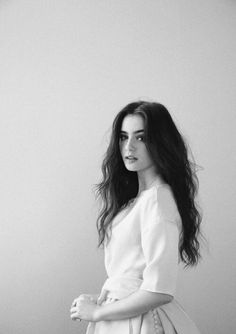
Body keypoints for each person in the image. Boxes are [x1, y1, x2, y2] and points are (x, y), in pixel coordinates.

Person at [70, 101, 203, 333]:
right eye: (123, 137)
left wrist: (98, 312)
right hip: (123, 318)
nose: (129, 147)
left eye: (141, 137)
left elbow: (159, 290)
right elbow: (133, 276)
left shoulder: (158, 200)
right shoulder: (137, 201)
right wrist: (104, 298)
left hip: (142, 322)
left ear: (160, 143)